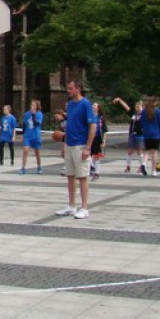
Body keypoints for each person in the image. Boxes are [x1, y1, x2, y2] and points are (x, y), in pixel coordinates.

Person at [55, 80, 96, 219]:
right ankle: (71, 206)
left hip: (80, 145)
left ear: (78, 89)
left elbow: (92, 126)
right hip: (69, 144)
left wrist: (88, 147)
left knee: (82, 177)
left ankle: (84, 208)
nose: (68, 90)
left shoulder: (86, 104)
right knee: (70, 176)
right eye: (68, 88)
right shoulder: (70, 105)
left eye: (71, 88)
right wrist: (64, 145)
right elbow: (69, 126)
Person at [113, 97, 146, 174]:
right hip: (132, 134)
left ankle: (141, 166)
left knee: (139, 151)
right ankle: (128, 166)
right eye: (136, 107)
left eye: (138, 107)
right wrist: (120, 100)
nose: (137, 108)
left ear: (142, 108)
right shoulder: (133, 114)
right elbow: (126, 107)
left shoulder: (144, 115)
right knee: (130, 151)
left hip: (140, 135)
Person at [140, 98, 160, 177]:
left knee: (147, 151)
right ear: (155, 102)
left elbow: (142, 123)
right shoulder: (157, 111)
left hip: (146, 134)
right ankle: (153, 171)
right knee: (154, 152)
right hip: (155, 134)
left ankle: (144, 163)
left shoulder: (144, 111)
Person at [19, 99, 44, 175]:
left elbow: (36, 123)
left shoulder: (39, 114)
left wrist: (33, 115)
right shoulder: (27, 114)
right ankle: (23, 168)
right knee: (25, 150)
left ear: (37, 106)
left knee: (37, 152)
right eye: (31, 105)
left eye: (33, 105)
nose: (32, 106)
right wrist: (23, 135)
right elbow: (24, 124)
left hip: (36, 136)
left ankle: (39, 167)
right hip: (28, 135)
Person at [89, 102, 108, 181]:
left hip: (97, 138)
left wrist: (103, 141)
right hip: (90, 138)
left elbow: (105, 131)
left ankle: (97, 172)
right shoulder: (89, 116)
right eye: (92, 105)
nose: (93, 106)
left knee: (97, 156)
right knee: (88, 155)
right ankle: (92, 167)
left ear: (98, 108)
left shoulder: (100, 118)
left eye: (95, 105)